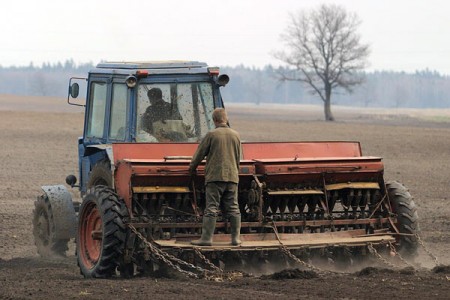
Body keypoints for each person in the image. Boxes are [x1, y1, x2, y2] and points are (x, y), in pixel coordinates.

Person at [189, 108, 242, 246]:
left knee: (212, 208)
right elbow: (238, 157)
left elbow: (199, 155)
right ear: (226, 118)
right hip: (232, 176)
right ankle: (235, 239)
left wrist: (191, 169)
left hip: (215, 177)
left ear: (214, 120)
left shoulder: (211, 135)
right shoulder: (236, 135)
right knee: (234, 207)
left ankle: (206, 239)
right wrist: (234, 173)